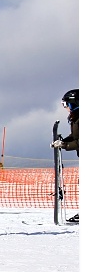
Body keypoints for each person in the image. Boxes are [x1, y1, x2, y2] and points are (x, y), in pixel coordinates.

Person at [52, 88, 79, 223]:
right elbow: (75, 137)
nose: (66, 108)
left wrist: (65, 146)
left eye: (67, 105)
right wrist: (63, 142)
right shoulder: (76, 118)